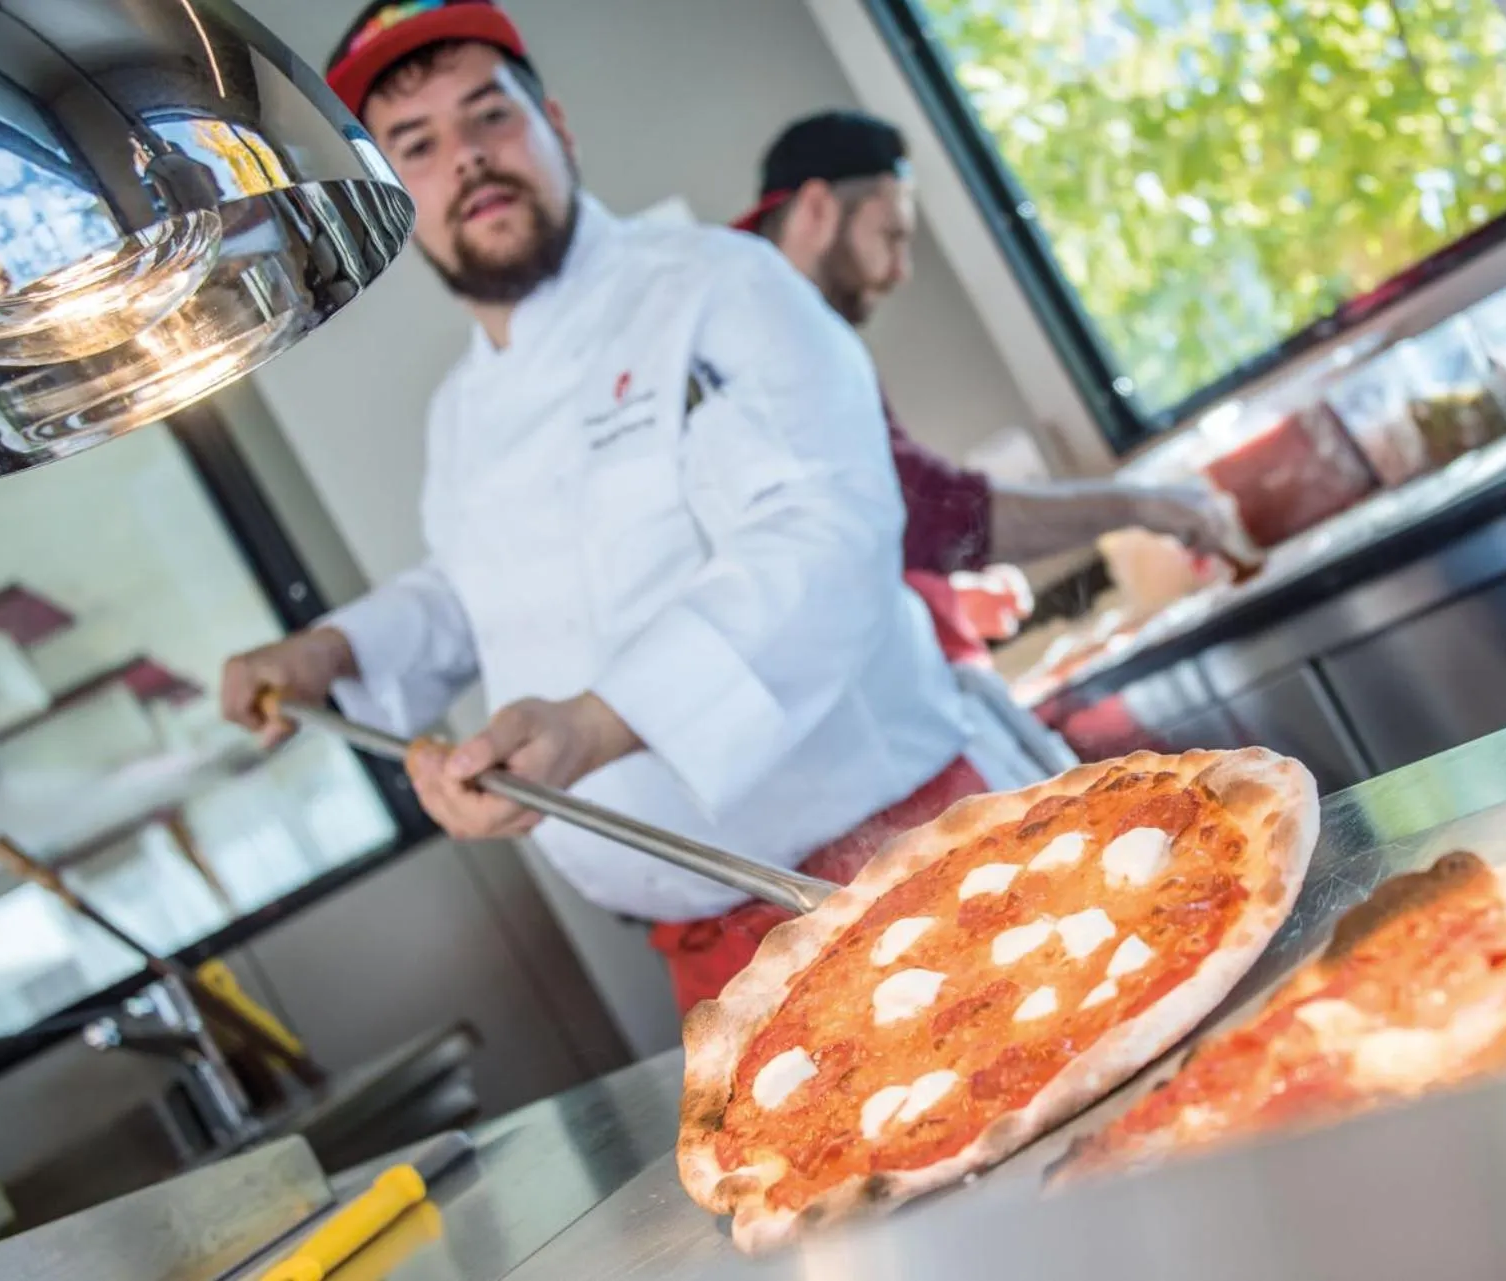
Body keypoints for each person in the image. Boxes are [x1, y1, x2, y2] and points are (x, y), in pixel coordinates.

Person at [218, 0, 1023, 1014]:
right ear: (388, 197)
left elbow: (826, 537)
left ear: (556, 124)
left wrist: (599, 727)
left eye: (489, 118)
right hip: (711, 957)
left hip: (899, 867)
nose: (465, 159)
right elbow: (480, 592)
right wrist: (331, 653)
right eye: (415, 146)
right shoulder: (462, 413)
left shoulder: (724, 286)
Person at [732, 110, 1259, 584]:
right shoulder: (759, 333)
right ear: (819, 209)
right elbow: (924, 513)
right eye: (891, 236)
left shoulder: (770, 318)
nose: (900, 271)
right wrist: (1141, 505)